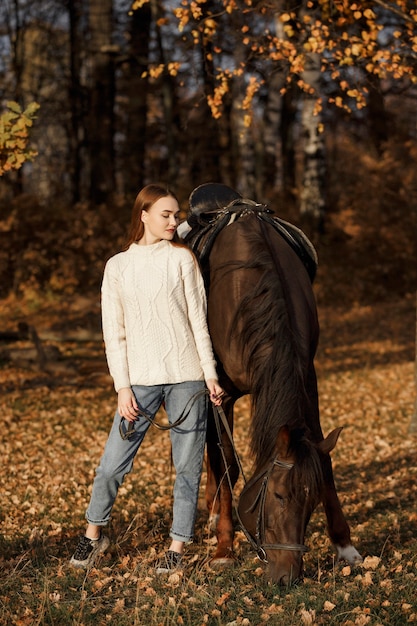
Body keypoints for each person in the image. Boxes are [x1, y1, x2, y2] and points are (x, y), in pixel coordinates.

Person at [69, 184, 223, 573]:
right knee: (110, 466)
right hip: (138, 383)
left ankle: (177, 546)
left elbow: (197, 321)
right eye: (165, 215)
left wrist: (210, 375)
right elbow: (113, 333)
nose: (173, 222)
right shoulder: (118, 266)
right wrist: (122, 386)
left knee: (187, 468)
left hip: (187, 379)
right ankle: (94, 534)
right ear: (144, 215)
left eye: (176, 216)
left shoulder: (182, 260)